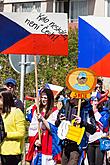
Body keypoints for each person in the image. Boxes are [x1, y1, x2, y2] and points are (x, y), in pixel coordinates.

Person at [55, 96, 96, 165]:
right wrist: (60, 120)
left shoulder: (87, 108)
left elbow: (93, 129)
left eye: (72, 96)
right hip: (65, 144)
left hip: (77, 145)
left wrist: (82, 122)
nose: (70, 97)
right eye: (69, 95)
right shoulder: (65, 105)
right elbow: (56, 123)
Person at [25, 88, 61, 165]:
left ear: (50, 98)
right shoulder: (37, 110)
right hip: (39, 143)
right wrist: (35, 141)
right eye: (42, 97)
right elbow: (33, 128)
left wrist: (42, 119)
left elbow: (53, 129)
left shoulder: (55, 111)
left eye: (45, 98)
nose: (43, 99)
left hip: (49, 141)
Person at [0, 89, 25, 165]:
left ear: (6, 99)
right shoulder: (1, 113)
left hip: (12, 153)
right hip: (1, 151)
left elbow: (21, 133)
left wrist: (6, 134)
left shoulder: (16, 112)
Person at [87, 95, 110, 165]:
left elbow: (104, 124)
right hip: (89, 141)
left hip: (100, 141)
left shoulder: (105, 112)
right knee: (91, 163)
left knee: (99, 163)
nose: (94, 103)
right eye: (93, 101)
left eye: (96, 100)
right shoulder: (87, 112)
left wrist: (96, 112)